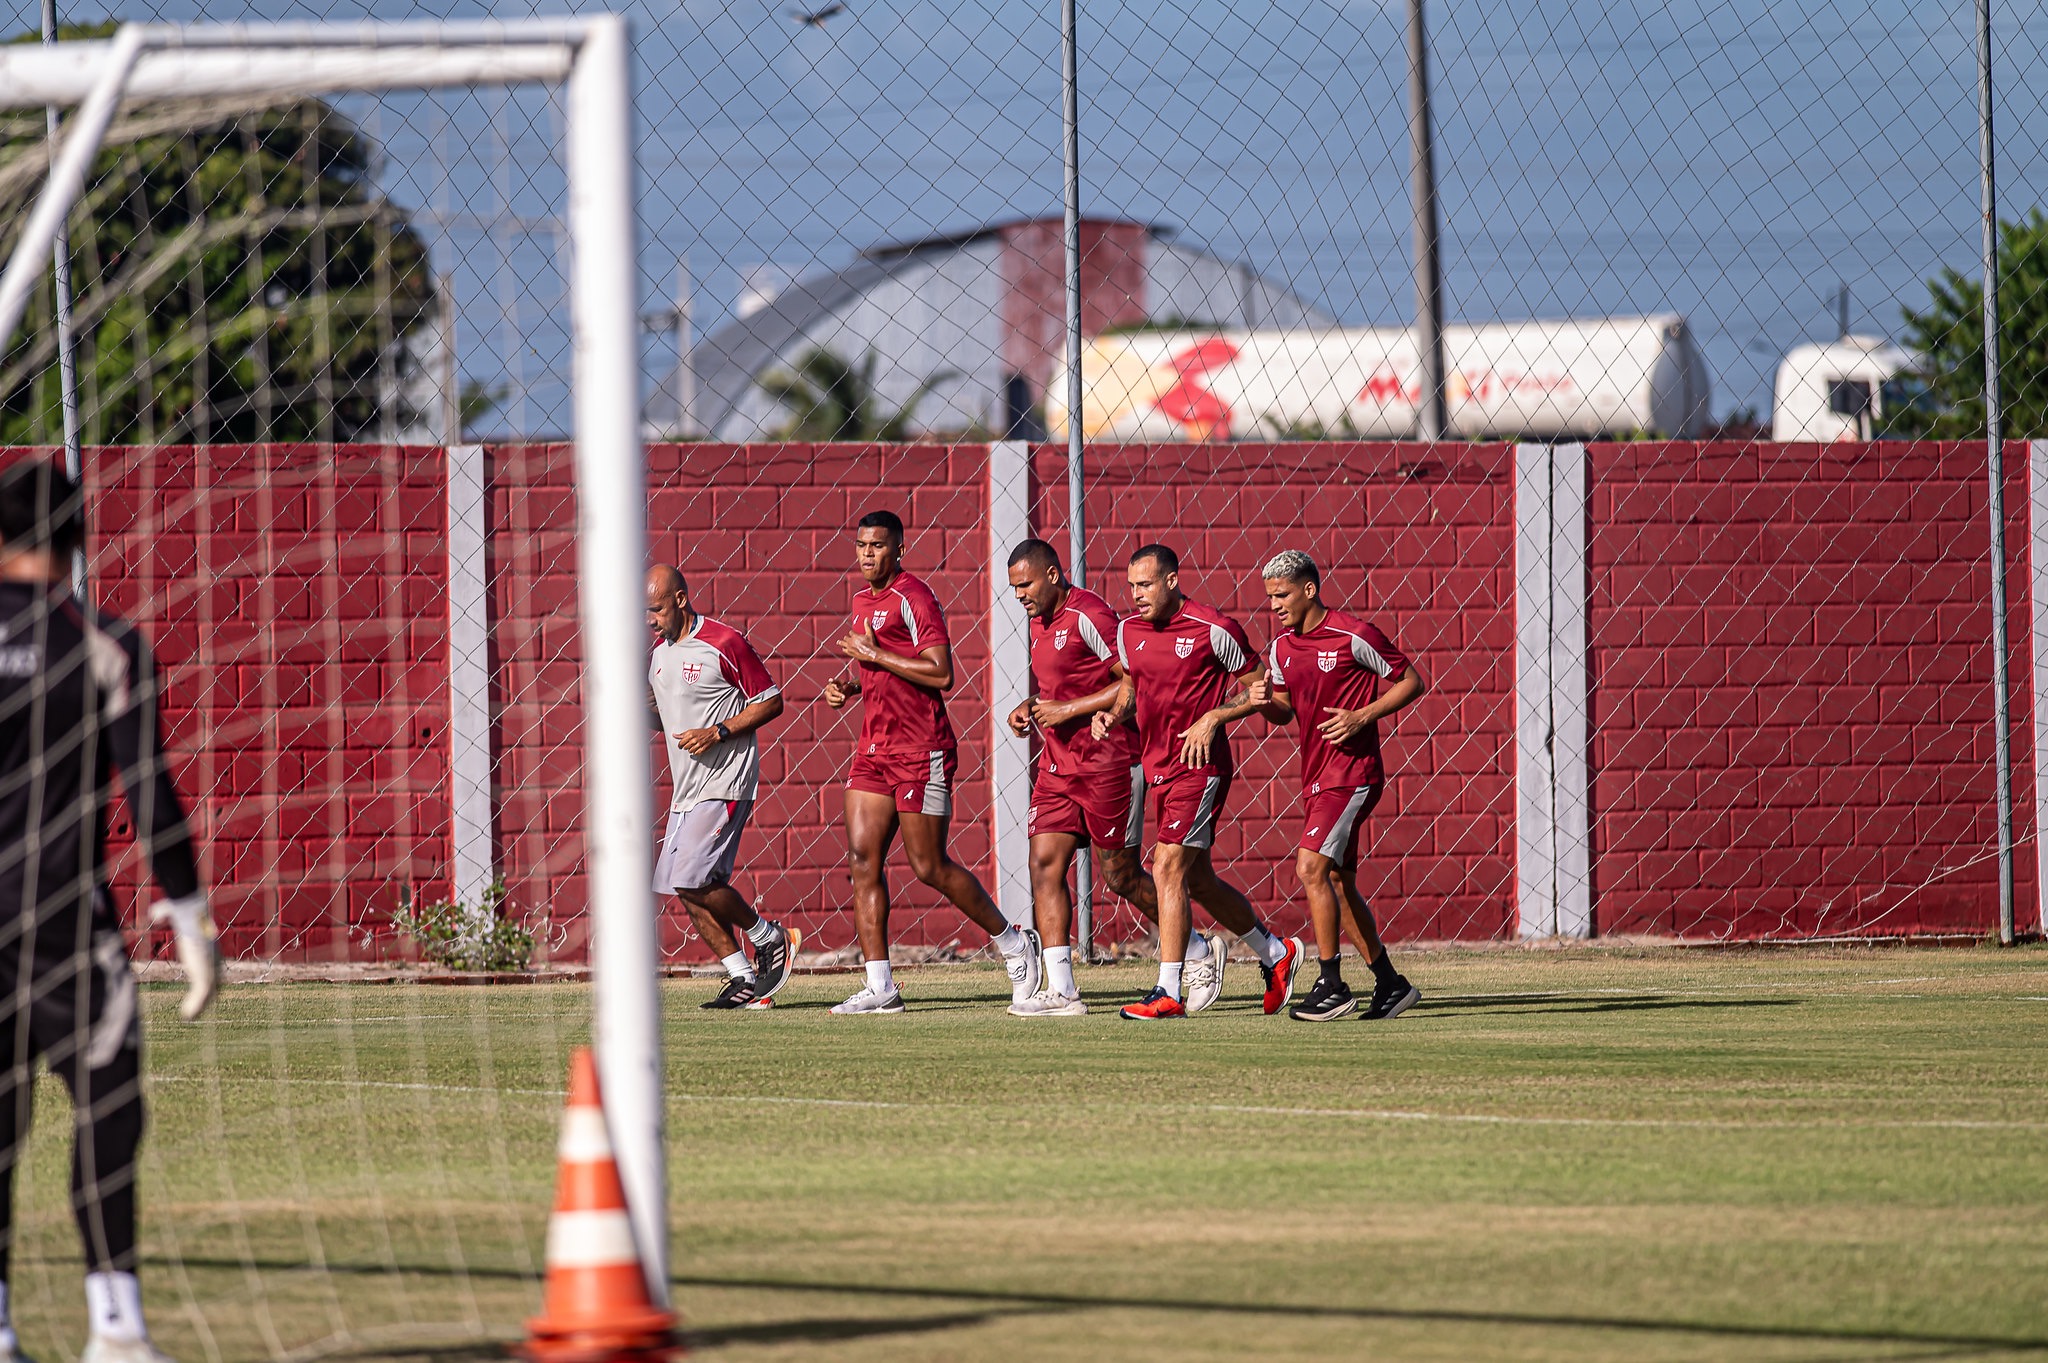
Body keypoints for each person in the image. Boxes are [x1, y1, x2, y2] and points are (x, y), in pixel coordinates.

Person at [0, 459, 220, 1363]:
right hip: (62, 920)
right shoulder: (106, 641)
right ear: (79, 541)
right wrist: (190, 913)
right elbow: (151, 792)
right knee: (108, 1100)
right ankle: (116, 1325)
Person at [822, 511, 1040, 1013]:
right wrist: (850, 684)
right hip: (873, 750)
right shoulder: (861, 601)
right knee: (861, 861)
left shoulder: (913, 597)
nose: (866, 554)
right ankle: (881, 986)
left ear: (899, 549)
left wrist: (874, 659)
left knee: (928, 866)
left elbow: (942, 674)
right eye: (860, 545)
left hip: (921, 748)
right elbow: (875, 663)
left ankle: (1012, 942)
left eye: (877, 546)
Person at [1092, 544, 1303, 1020]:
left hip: (1201, 767)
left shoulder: (1215, 628)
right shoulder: (1128, 631)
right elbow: (1131, 686)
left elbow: (1262, 689)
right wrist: (1113, 713)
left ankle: (1168, 990)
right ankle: (1274, 953)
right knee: (1199, 879)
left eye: (1145, 585)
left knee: (1166, 868)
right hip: (1157, 768)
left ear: (1171, 581)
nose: (1136, 595)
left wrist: (1215, 716)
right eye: (1131, 587)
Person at [1250, 550, 1425, 1021]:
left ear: (1309, 590)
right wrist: (1264, 703)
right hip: (1316, 779)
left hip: (1352, 775)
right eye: (1269, 597)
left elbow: (1411, 680)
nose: (1275, 606)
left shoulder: (1354, 635)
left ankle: (1330, 982)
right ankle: (1390, 984)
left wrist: (1363, 715)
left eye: (1282, 595)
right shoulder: (1282, 647)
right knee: (1338, 883)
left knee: (1310, 869)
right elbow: (1284, 711)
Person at [1002, 538, 1151, 1016]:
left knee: (1120, 876)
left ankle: (1193, 948)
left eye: (1025, 584)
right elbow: (1058, 687)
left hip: (1107, 761)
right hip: (1057, 766)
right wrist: (1031, 706)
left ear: (1051, 575)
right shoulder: (1039, 620)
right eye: (1013, 588)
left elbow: (1131, 684)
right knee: (1043, 864)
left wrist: (1067, 709)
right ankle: (1062, 989)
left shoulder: (1090, 614)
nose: (1020, 595)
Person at [646, 565, 797, 1009]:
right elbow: (670, 718)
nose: (650, 619)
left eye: (656, 609)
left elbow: (771, 700)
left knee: (691, 879)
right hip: (686, 789)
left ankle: (770, 937)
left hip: (725, 780)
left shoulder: (724, 642)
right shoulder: (658, 655)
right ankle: (744, 979)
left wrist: (718, 732)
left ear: (679, 599)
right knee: (680, 885)